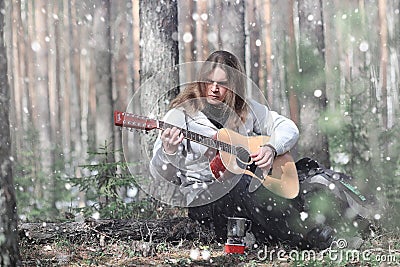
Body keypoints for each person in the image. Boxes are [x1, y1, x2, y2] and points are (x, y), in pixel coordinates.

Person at [149, 50, 371, 249]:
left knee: (306, 181)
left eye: (222, 83)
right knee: (246, 186)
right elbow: (161, 174)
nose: (214, 88)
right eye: (209, 81)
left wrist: (272, 148)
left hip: (248, 188)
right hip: (205, 200)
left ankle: (359, 224)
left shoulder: (246, 110)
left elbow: (288, 127)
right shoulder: (180, 116)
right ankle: (319, 238)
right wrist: (168, 152)